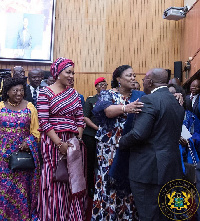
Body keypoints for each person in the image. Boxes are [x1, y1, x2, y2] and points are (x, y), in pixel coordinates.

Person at [119, 68, 185, 220]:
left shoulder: (149, 100)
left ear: (149, 81)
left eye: (143, 79)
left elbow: (138, 134)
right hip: (171, 167)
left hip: (148, 170)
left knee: (149, 214)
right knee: (167, 214)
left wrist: (121, 142)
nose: (141, 82)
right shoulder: (176, 101)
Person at [91, 65, 144, 220]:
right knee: (109, 180)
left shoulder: (140, 95)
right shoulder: (107, 94)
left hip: (131, 147)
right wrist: (126, 108)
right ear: (119, 79)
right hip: (109, 147)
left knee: (127, 180)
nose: (133, 78)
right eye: (129, 75)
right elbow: (107, 111)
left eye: (134, 75)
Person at [37, 57, 86, 220]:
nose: (72, 76)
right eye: (68, 72)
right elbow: (43, 121)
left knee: (73, 180)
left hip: (72, 142)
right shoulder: (45, 92)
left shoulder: (74, 93)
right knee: (54, 178)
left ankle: (70, 216)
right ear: (58, 73)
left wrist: (76, 141)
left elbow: (80, 119)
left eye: (73, 72)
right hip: (52, 142)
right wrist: (60, 144)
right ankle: (52, 216)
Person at [0, 77, 40, 220]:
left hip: (22, 156)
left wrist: (28, 142)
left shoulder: (30, 107)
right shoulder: (0, 106)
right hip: (2, 158)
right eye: (15, 90)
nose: (19, 93)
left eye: (21, 90)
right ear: (7, 92)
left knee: (22, 189)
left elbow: (36, 131)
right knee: (4, 189)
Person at [82, 77, 107, 198]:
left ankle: (102, 185)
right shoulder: (91, 100)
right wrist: (98, 129)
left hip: (106, 137)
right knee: (91, 162)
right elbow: (85, 117)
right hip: (91, 135)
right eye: (100, 84)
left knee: (103, 162)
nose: (102, 86)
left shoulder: (111, 99)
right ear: (96, 87)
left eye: (104, 84)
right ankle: (91, 188)